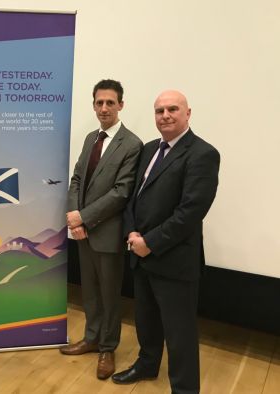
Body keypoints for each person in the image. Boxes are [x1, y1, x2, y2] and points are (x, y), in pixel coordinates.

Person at [112, 90, 220, 393]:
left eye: (173, 109)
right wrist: (132, 234)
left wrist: (151, 242)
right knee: (146, 322)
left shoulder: (203, 154)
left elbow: (190, 212)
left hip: (173, 260)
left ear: (188, 113)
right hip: (141, 253)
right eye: (159, 111)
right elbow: (133, 198)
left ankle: (185, 389)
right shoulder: (148, 149)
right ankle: (147, 365)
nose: (165, 115)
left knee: (179, 333)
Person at [60, 79, 142, 380]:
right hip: (83, 231)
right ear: (93, 105)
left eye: (110, 102)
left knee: (109, 294)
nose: (104, 108)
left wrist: (83, 217)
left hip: (106, 233)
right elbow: (77, 178)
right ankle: (92, 338)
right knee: (90, 292)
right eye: (99, 102)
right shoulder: (90, 138)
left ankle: (108, 347)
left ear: (121, 105)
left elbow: (121, 193)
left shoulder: (132, 144)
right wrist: (73, 215)